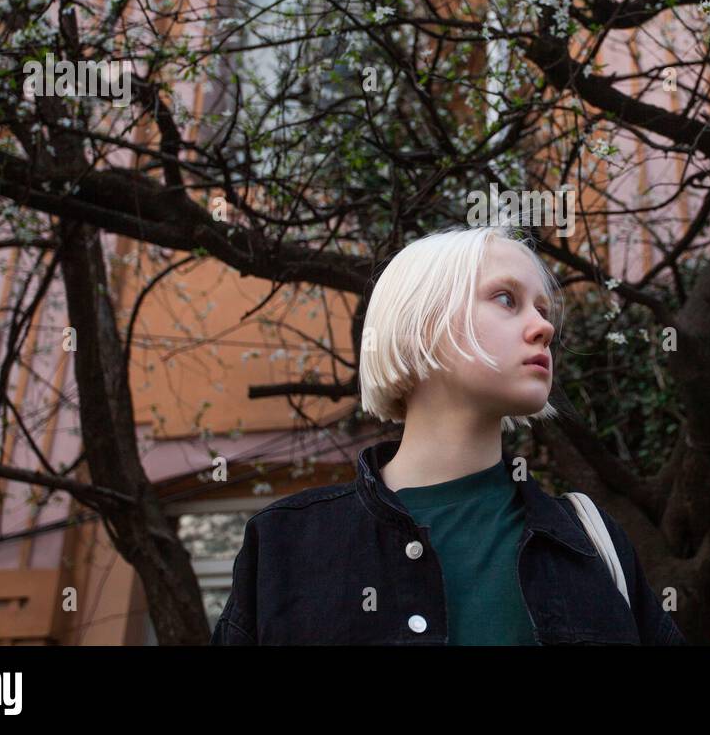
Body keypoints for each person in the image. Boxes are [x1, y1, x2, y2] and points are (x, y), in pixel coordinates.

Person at [210, 224, 685, 645]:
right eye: (506, 299)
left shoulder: (592, 541)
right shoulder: (285, 545)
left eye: (543, 309)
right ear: (423, 324)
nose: (543, 327)